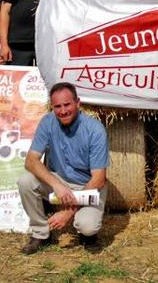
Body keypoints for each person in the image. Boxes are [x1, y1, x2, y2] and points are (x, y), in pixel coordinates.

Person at [17, 82, 109, 255]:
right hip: (60, 182)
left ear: (78, 103)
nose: (63, 110)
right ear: (52, 107)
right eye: (57, 106)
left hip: (88, 186)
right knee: (25, 181)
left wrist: (67, 212)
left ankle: (87, 236)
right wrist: (57, 185)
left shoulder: (95, 130)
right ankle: (41, 234)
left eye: (67, 104)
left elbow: (98, 179)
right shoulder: (47, 122)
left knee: (87, 226)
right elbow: (31, 161)